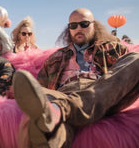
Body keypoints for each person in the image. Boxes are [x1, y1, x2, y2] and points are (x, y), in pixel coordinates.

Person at [13, 8, 139, 148]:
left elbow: (123, 76)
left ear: (94, 25)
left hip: (103, 92)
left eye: (84, 24)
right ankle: (51, 136)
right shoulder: (55, 57)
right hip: (63, 93)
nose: (78, 28)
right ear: (69, 29)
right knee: (40, 103)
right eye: (73, 26)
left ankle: (62, 109)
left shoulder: (113, 48)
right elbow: (40, 86)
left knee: (136, 58)